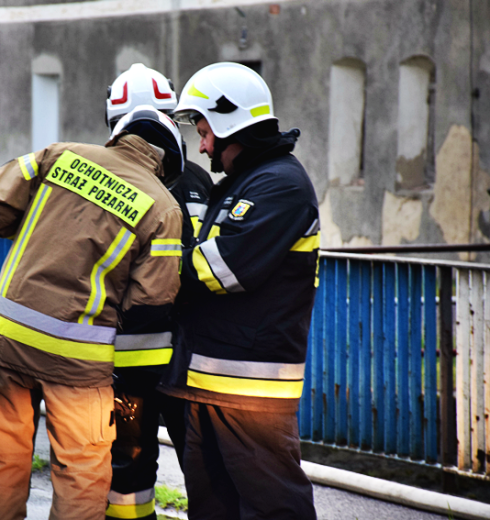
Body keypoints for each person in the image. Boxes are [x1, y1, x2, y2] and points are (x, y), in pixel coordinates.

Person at [0, 106, 185, 520]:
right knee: (81, 473)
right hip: (79, 361)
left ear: (119, 135)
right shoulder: (164, 208)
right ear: (166, 162)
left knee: (0, 460)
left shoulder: (60, 156)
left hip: (7, 337)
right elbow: (149, 306)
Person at [160, 62, 320, 519]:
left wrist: (148, 262)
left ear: (232, 123)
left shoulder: (280, 185)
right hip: (209, 384)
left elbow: (217, 270)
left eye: (206, 130)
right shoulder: (246, 182)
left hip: (249, 392)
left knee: (273, 509)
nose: (203, 144)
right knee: (213, 510)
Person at [103, 63, 213, 520]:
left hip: (126, 368)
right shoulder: (201, 184)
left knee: (127, 467)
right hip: (188, 362)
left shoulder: (103, 181)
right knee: (206, 468)